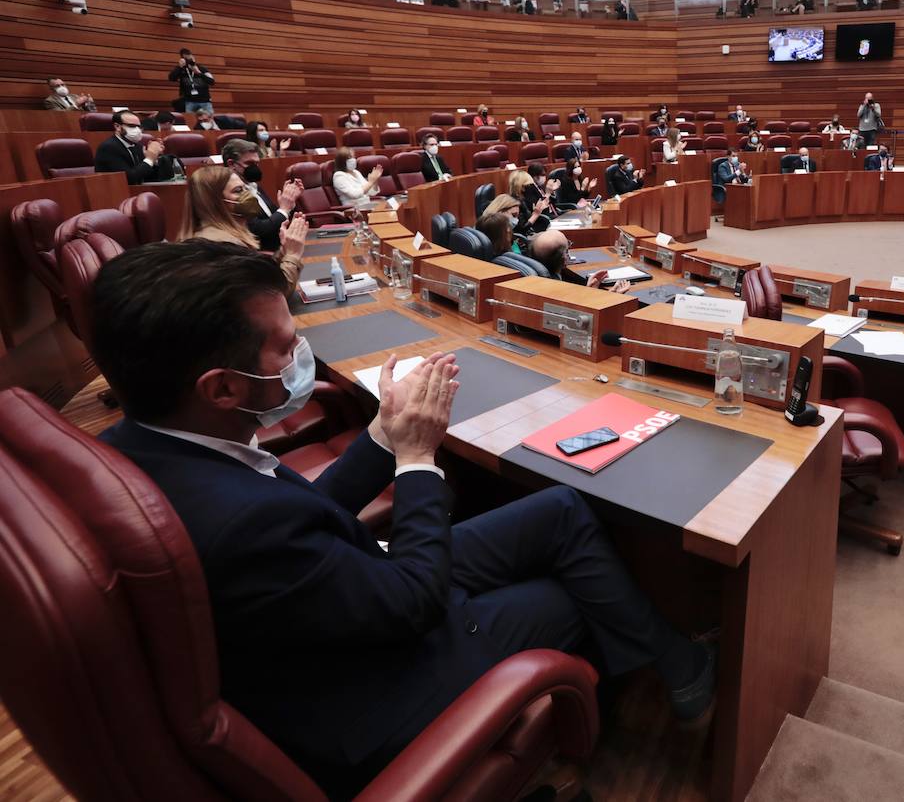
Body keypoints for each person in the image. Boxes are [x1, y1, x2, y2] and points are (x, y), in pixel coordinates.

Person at [91, 240, 715, 799]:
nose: (299, 353)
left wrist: (383, 435)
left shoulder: (149, 440)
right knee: (571, 596)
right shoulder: (239, 524)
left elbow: (303, 511)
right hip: (378, 677)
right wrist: (417, 459)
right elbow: (414, 601)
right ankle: (609, 719)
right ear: (222, 389)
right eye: (284, 346)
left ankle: (677, 669)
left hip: (336, 594)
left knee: (559, 510)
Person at [177, 165, 306, 284]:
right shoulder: (224, 246)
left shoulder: (220, 234)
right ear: (214, 202)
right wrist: (292, 255)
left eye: (246, 188)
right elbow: (270, 293)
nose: (248, 195)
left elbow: (259, 275)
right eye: (238, 190)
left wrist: (284, 250)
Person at [221, 138, 302, 251]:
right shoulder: (230, 194)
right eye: (249, 163)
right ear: (231, 164)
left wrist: (289, 203)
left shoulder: (253, 185)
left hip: (278, 249)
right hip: (258, 254)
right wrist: (284, 209)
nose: (255, 168)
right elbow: (256, 230)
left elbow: (275, 219)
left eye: (257, 163)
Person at [530, 230, 631, 292]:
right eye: (568, 247)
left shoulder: (535, 280)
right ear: (565, 259)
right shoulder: (559, 292)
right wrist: (612, 297)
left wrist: (589, 290)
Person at [94, 110, 166, 185]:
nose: (137, 130)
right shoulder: (108, 148)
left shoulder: (138, 146)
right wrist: (150, 159)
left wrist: (155, 157)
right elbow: (128, 179)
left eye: (139, 127)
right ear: (117, 126)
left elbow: (150, 177)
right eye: (132, 126)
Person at [169, 48, 215, 115]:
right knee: (191, 122)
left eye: (190, 58)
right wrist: (179, 67)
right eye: (187, 59)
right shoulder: (181, 70)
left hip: (205, 101)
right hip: (189, 101)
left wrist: (199, 73)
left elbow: (212, 82)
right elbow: (171, 78)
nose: (189, 61)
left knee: (209, 121)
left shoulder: (202, 68)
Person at [509, 171, 553, 236]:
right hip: (526, 237)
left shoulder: (526, 198)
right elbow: (522, 229)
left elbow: (545, 214)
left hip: (534, 231)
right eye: (529, 185)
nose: (531, 187)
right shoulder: (514, 203)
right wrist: (535, 214)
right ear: (521, 186)